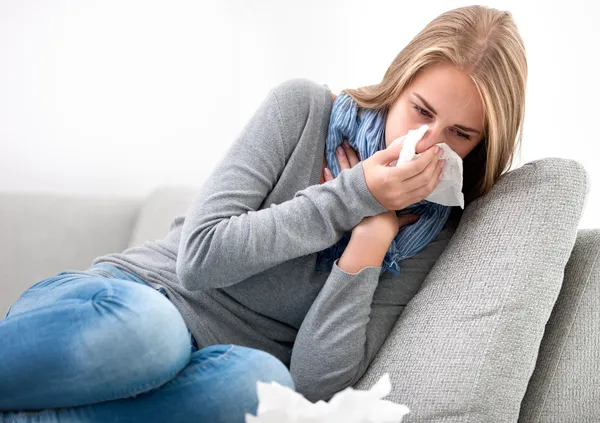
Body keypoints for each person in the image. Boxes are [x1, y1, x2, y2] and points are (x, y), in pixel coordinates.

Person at [0, 4, 527, 422]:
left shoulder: (430, 228)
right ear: (397, 87)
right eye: (422, 111)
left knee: (262, 391)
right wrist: (352, 195)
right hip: (134, 303)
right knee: (152, 334)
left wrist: (373, 229)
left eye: (460, 134)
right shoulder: (302, 109)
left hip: (214, 367)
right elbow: (200, 259)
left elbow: (318, 386)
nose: (428, 144)